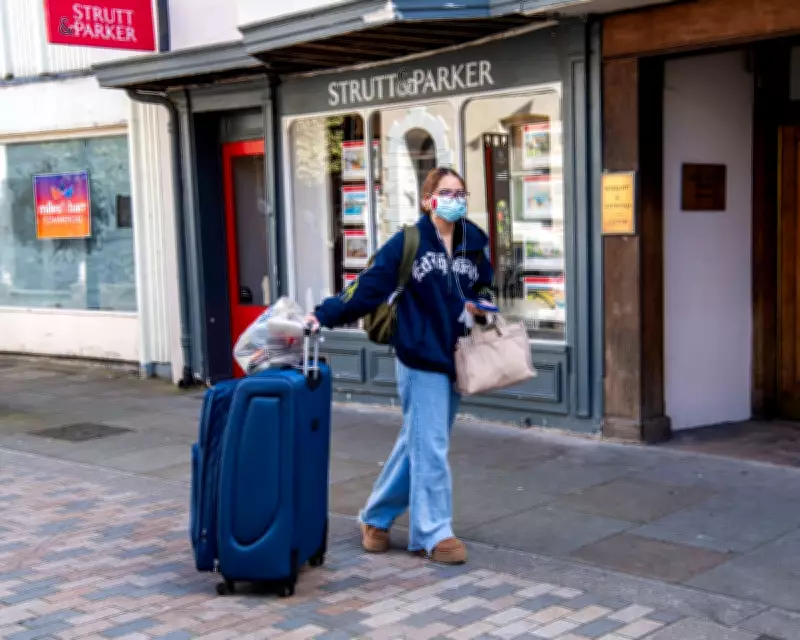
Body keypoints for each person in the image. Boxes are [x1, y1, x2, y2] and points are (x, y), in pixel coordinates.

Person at [306, 167, 495, 564]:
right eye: (446, 192)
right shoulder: (409, 241)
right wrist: (322, 315)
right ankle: (433, 532)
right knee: (432, 445)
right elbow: (367, 287)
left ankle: (375, 517)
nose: (455, 199)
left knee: (420, 442)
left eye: (461, 192)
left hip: (458, 354)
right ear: (429, 199)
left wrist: (482, 305)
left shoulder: (474, 241)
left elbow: (485, 285)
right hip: (419, 352)